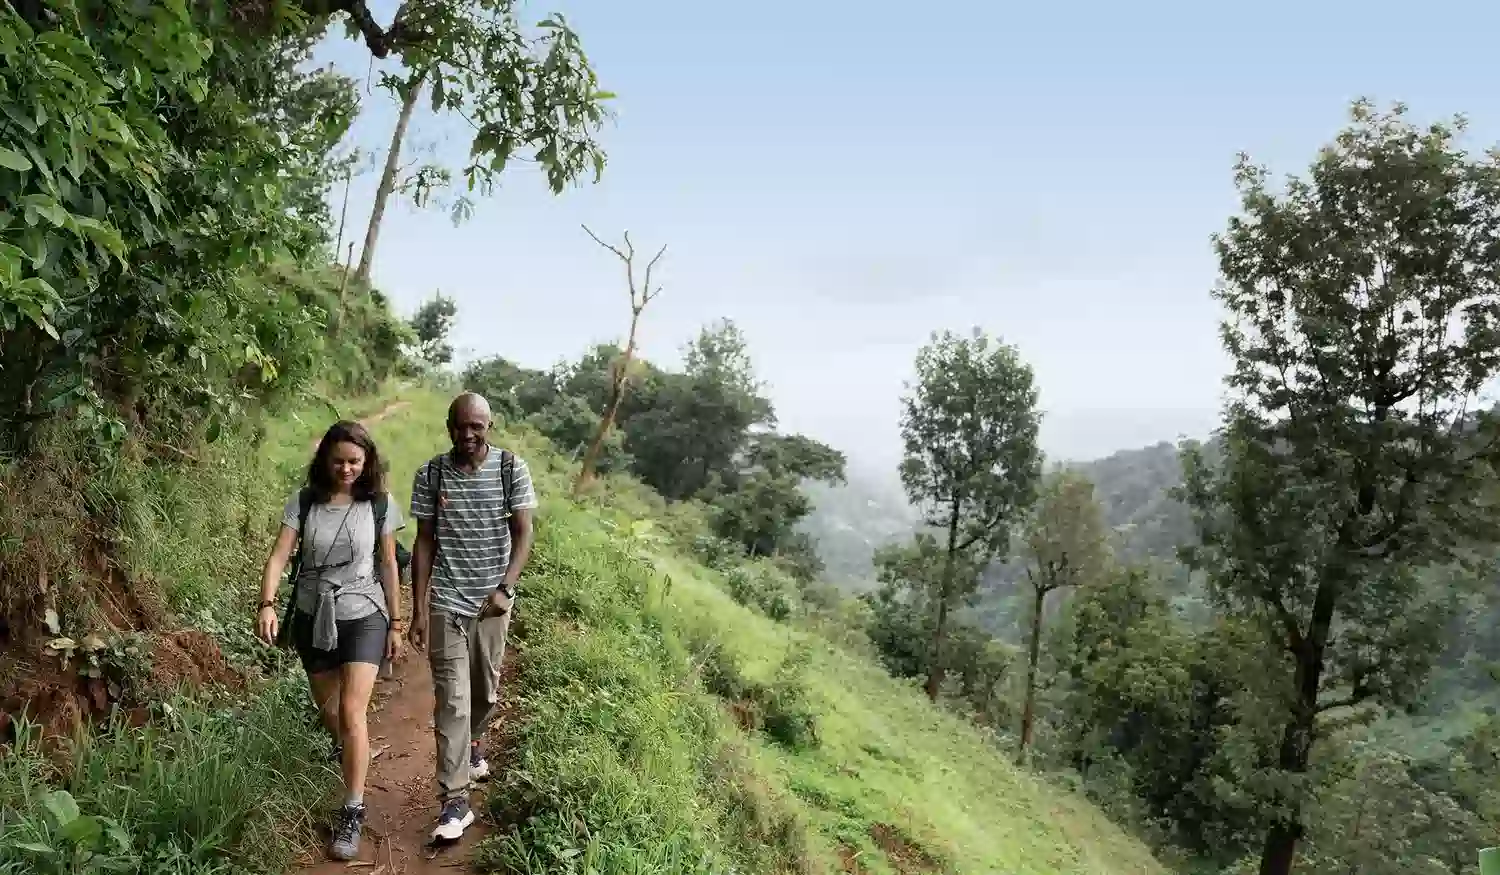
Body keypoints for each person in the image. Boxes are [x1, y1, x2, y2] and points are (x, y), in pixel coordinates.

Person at [255, 420, 406, 861]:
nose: (347, 469)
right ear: (325, 459)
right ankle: (350, 753)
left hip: (364, 615)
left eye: (355, 461)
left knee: (352, 710)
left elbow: (388, 566)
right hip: (311, 614)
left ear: (367, 462)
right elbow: (279, 555)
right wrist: (266, 603)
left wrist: (396, 623)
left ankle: (352, 809)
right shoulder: (304, 502)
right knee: (331, 711)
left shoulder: (379, 505)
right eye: (339, 461)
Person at [409, 392, 537, 843]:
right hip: (447, 599)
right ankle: (454, 801)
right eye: (460, 426)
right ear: (448, 426)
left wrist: (506, 587)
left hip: (491, 603)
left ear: (489, 425)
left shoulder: (509, 468)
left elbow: (524, 531)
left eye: (476, 426)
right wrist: (418, 609)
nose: (468, 434)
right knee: (453, 701)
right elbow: (424, 542)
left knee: (484, 689)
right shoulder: (431, 474)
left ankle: (475, 744)